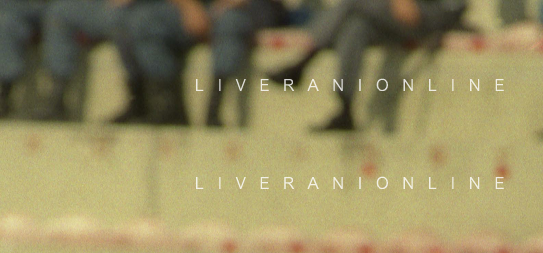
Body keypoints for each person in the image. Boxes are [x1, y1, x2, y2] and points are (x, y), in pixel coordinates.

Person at [268, 0, 467, 131]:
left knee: (356, 1)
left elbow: (454, 7)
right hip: (397, 16)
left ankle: (303, 63)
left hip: (432, 18)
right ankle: (345, 108)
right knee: (355, 27)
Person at [124, 0, 292, 125]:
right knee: (144, 21)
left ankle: (214, 112)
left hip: (247, 10)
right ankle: (170, 109)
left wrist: (223, 6)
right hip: (200, 9)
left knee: (232, 23)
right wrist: (189, 6)